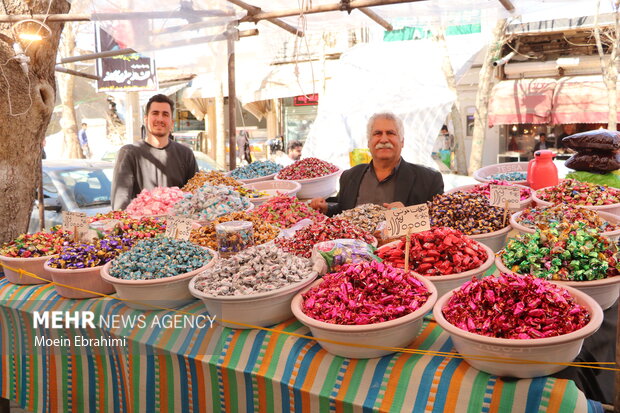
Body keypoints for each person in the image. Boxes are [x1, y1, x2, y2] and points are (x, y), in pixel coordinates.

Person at [309, 112, 444, 216]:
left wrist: (409, 216)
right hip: (352, 250)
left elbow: (439, 220)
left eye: (391, 133)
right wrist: (326, 208)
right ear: (369, 142)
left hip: (398, 251)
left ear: (402, 141)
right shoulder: (350, 176)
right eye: (377, 133)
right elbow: (343, 210)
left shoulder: (429, 179)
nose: (384, 139)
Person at [111, 94, 198, 210]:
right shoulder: (129, 154)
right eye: (155, 113)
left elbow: (196, 197)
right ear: (146, 120)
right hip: (141, 226)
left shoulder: (186, 154)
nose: (160, 119)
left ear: (172, 123)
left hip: (177, 226)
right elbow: (120, 204)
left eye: (165, 114)